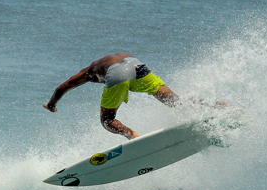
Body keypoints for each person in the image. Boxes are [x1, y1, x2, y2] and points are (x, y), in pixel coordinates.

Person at [43, 53, 177, 139]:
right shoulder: (109, 60)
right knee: (174, 101)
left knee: (107, 120)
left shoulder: (89, 71)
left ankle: (131, 134)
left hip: (118, 73)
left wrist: (51, 105)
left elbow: (62, 87)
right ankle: (196, 106)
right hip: (137, 66)